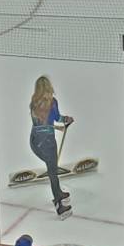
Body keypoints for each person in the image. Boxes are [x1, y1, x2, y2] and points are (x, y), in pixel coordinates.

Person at [29, 75, 74, 217]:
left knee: (52, 169)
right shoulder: (52, 102)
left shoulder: (34, 102)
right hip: (47, 141)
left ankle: (59, 192)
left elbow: (42, 123)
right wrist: (67, 119)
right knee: (52, 172)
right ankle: (59, 204)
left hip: (35, 141)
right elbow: (56, 118)